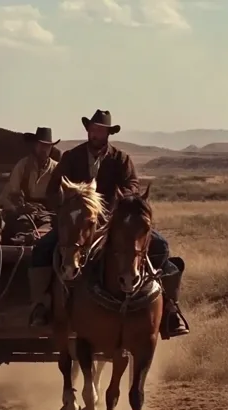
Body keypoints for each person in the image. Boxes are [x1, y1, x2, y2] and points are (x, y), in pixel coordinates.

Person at [27, 109, 189, 339]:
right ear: (88, 130)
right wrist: (70, 202)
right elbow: (53, 190)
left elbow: (132, 186)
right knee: (42, 249)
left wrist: (116, 204)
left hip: (113, 222)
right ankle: (42, 305)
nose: (96, 134)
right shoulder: (71, 157)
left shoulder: (121, 159)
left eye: (101, 131)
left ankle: (170, 308)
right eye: (93, 130)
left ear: (108, 134)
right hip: (78, 223)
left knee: (160, 246)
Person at [1, 127, 59, 211]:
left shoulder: (56, 169)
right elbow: (11, 193)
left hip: (48, 212)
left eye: (47, 146)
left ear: (51, 148)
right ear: (35, 145)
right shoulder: (22, 166)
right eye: (41, 145)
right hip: (25, 211)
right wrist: (20, 207)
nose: (44, 149)